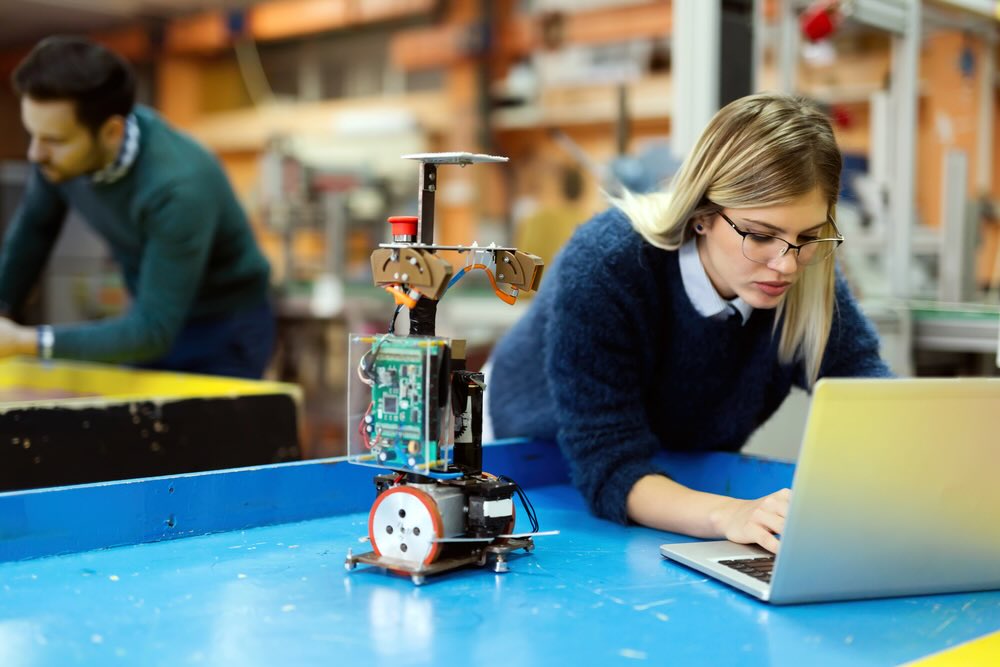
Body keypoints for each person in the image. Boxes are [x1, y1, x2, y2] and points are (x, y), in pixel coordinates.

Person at [485, 93, 893, 554]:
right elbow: (610, 467)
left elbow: (870, 398)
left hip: (662, 458)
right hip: (525, 450)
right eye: (760, 235)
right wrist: (731, 514)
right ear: (702, 216)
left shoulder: (805, 272)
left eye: (808, 236)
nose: (786, 264)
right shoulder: (606, 263)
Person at [0, 36, 274, 378]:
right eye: (33, 135)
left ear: (112, 132)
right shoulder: (56, 162)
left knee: (209, 429)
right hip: (152, 315)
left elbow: (153, 332)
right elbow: (34, 231)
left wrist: (26, 341)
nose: (35, 153)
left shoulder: (177, 188)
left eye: (54, 140)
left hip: (224, 325)